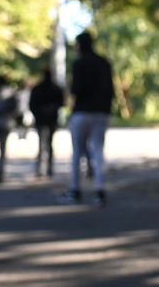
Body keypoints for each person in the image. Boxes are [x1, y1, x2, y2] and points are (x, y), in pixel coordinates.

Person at [58, 31, 114, 207]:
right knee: (97, 152)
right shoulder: (103, 62)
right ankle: (99, 191)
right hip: (101, 112)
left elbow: (76, 89)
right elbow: (110, 89)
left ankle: (75, 190)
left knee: (77, 153)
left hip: (82, 112)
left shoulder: (79, 63)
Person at [29, 67, 65, 178]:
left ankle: (43, 169)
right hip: (48, 119)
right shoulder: (54, 88)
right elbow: (60, 103)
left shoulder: (39, 88)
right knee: (48, 144)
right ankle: (47, 169)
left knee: (43, 144)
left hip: (43, 120)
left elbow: (32, 105)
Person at [0, 75, 18, 183]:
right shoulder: (10, 93)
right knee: (2, 148)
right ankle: (0, 173)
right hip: (4, 123)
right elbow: (15, 109)